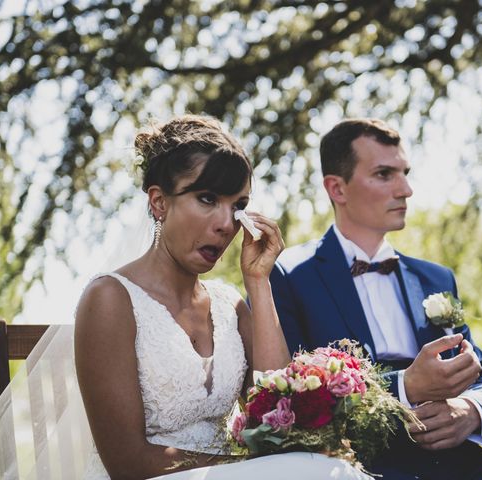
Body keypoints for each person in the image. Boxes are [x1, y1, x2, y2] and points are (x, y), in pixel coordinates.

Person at [269, 118, 482, 480]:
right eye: (385, 174)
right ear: (337, 188)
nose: (406, 189)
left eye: (405, 172)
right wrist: (404, 388)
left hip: (461, 464)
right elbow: (287, 400)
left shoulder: (435, 278)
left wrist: (469, 411)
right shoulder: (290, 275)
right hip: (354, 469)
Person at [74, 114, 372, 479]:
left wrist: (259, 283)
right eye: (207, 198)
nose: (226, 223)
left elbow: (276, 410)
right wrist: (257, 469)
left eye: (238, 206)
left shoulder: (229, 305)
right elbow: (127, 461)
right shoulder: (110, 298)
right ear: (159, 202)